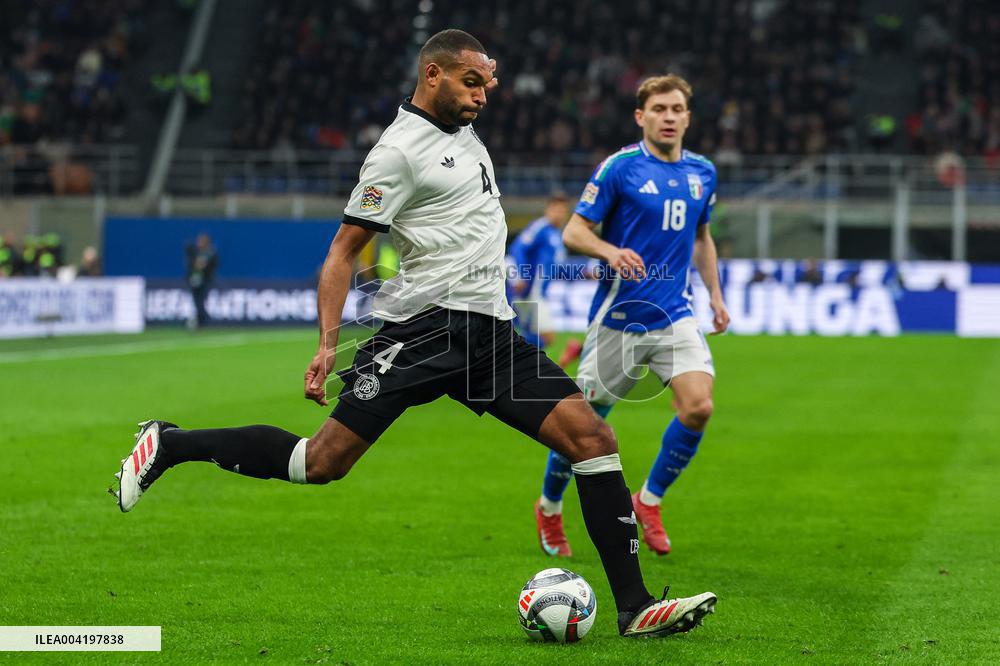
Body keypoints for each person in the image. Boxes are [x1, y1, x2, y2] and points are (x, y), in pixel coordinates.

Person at [112, 30, 716, 638]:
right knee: (320, 463)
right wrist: (327, 342)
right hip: (421, 334)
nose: (484, 95)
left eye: (488, 83)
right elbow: (344, 251)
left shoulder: (465, 134)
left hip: (491, 335)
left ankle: (635, 607)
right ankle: (172, 443)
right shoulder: (396, 153)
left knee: (592, 437)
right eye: (471, 82)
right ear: (432, 75)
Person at [533, 74, 730, 559]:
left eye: (676, 109)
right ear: (641, 116)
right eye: (659, 109)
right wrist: (609, 250)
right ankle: (550, 506)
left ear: (687, 116)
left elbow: (702, 238)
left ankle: (649, 500)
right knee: (583, 429)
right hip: (619, 320)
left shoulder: (703, 172)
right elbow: (574, 233)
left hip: (676, 314)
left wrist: (717, 297)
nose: (668, 117)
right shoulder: (619, 168)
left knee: (699, 407)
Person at [505, 194, 570, 349]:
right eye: (556, 209)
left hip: (540, 292)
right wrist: (519, 277)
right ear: (548, 210)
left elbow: (557, 267)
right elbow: (517, 249)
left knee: (530, 335)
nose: (559, 214)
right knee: (547, 336)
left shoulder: (557, 236)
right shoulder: (540, 227)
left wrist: (585, 273)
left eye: (562, 211)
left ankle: (513, 361)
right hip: (530, 291)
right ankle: (506, 354)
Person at [185, 233, 217, 329]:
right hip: (194, 281)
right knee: (197, 302)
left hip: (204, 281)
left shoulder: (209, 252)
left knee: (200, 301)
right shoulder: (197, 252)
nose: (199, 243)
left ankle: (203, 320)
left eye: (201, 241)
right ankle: (201, 320)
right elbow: (192, 266)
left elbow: (200, 265)